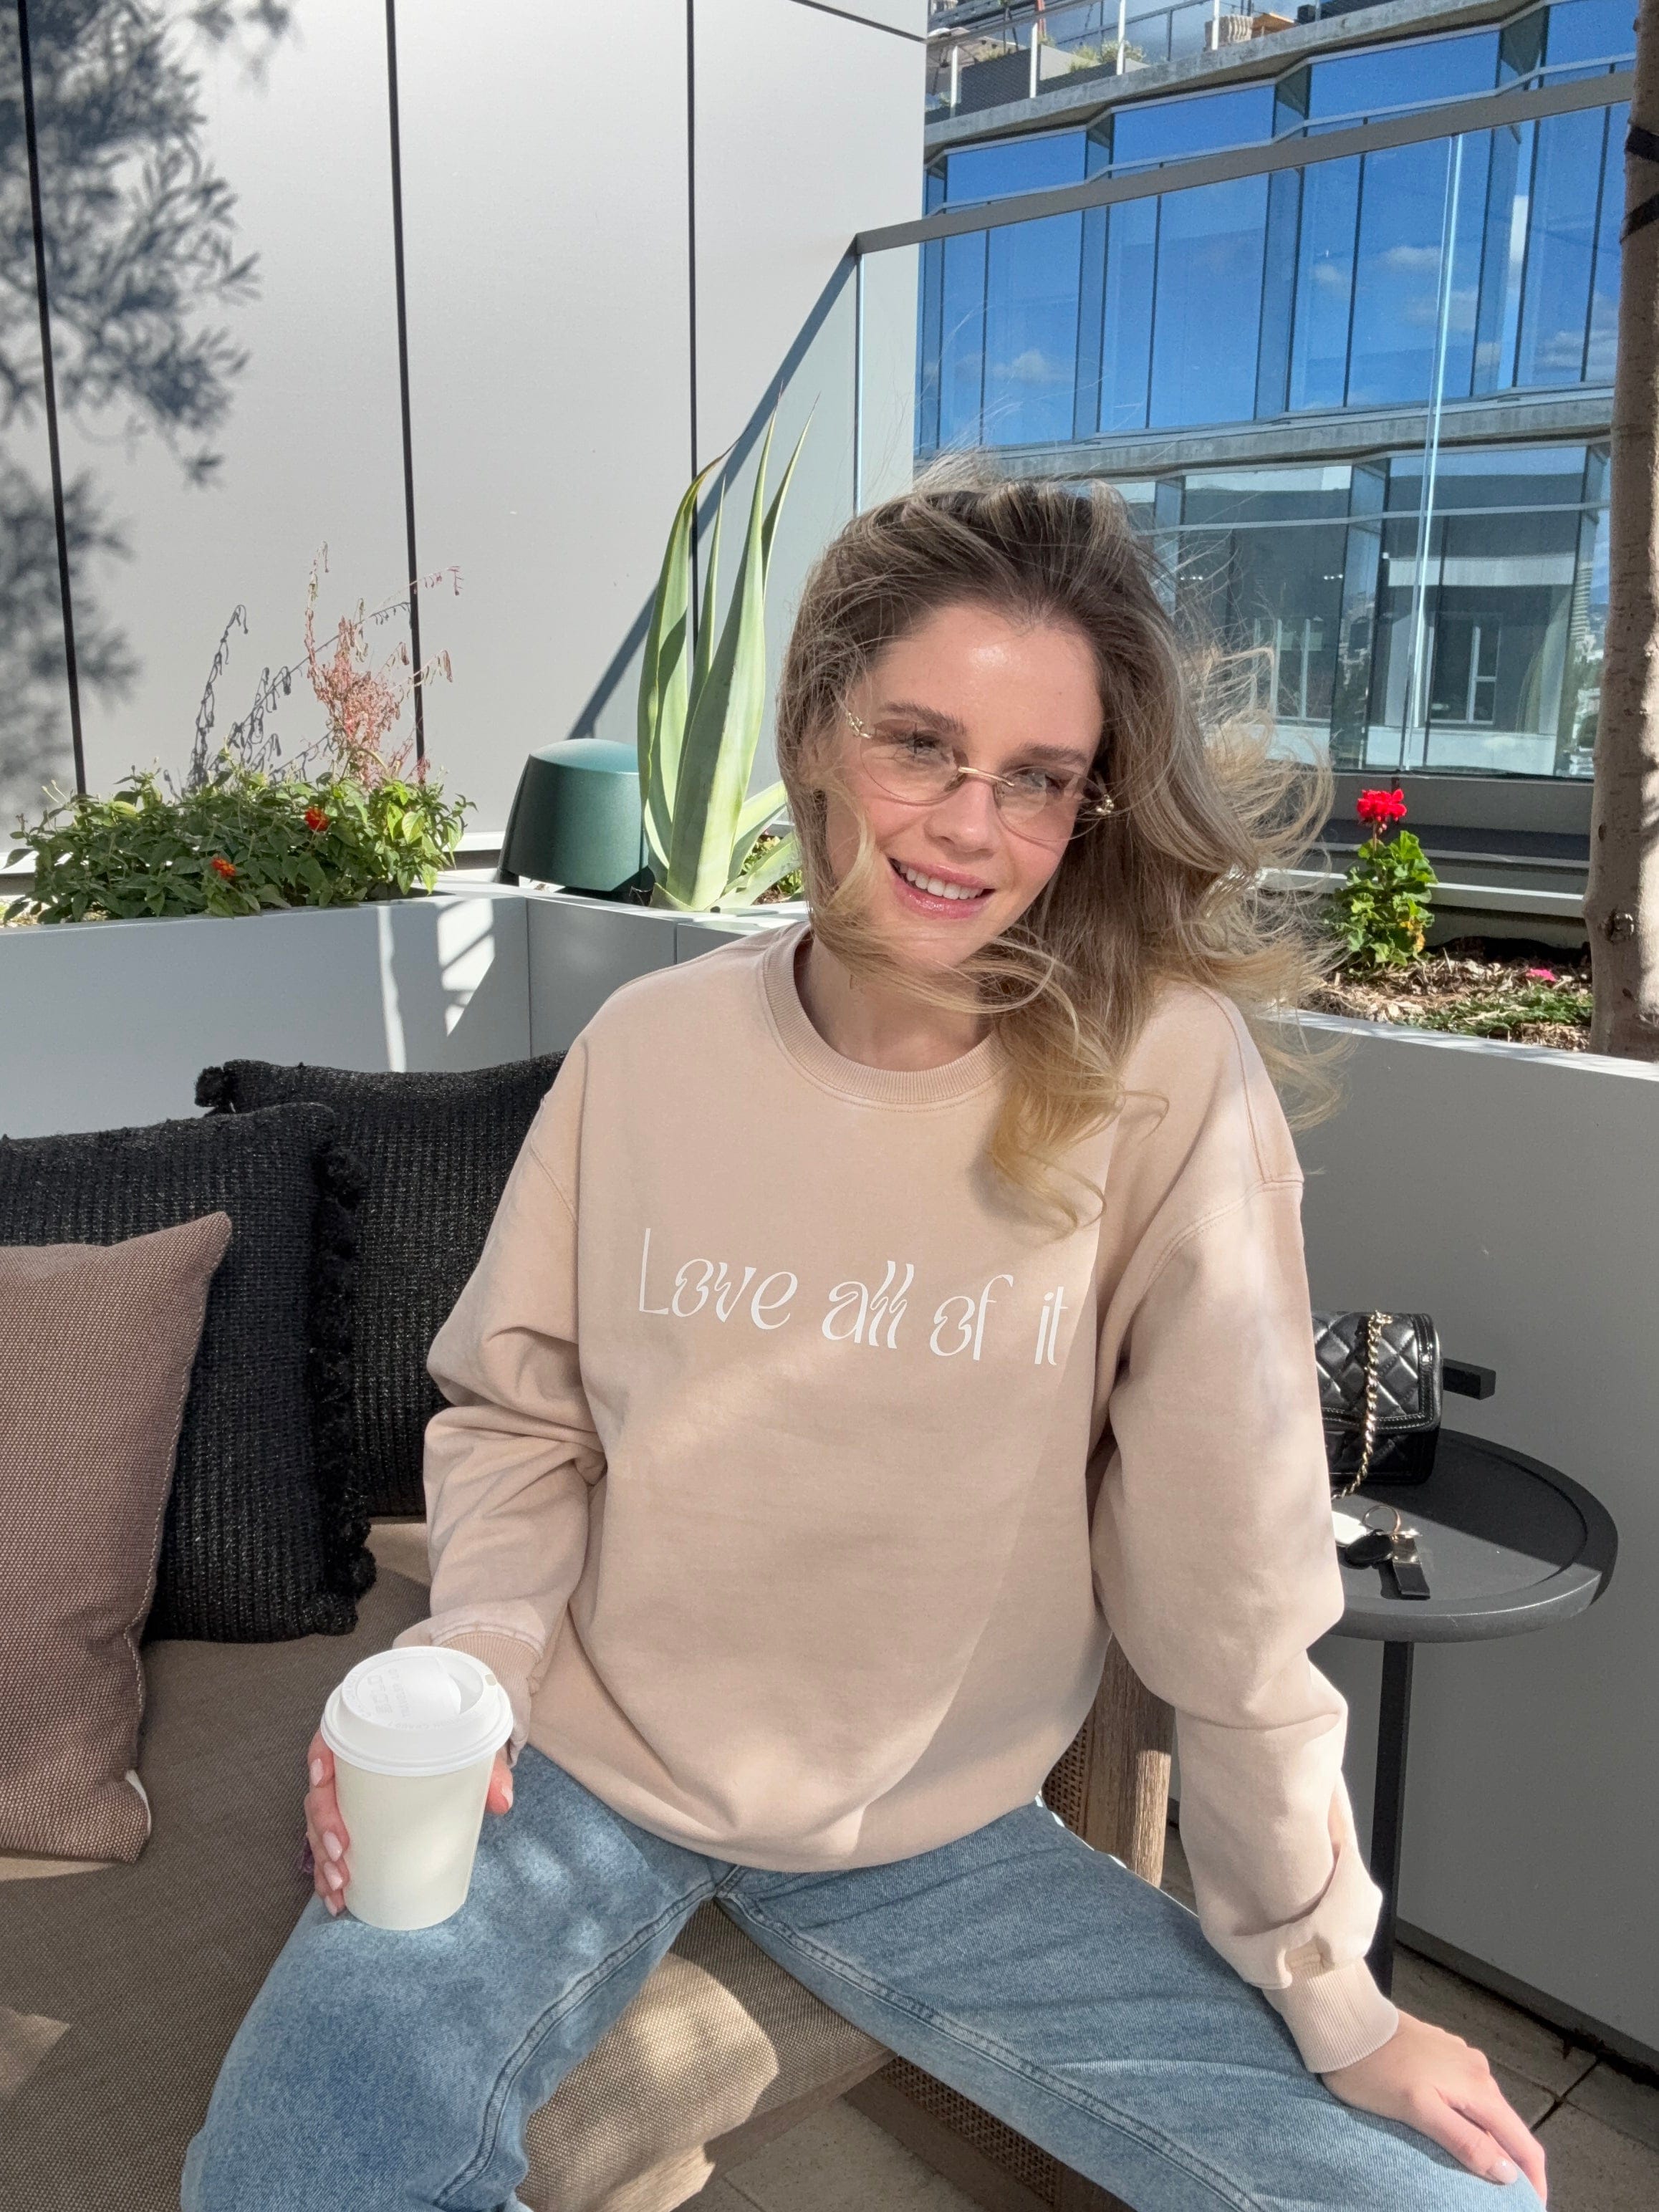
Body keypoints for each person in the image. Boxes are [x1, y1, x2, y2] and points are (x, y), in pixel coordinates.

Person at [183, 473, 1547, 2212]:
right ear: (821, 731)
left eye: (1038, 776)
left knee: (1449, 2198)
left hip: (940, 1834)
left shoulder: (1164, 1076)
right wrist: (480, 1661)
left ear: (1090, 803)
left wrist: (1329, 1984)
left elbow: (1234, 1572)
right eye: (921, 744)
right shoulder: (649, 1049)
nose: (971, 826)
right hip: (580, 1773)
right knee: (281, 2181)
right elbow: (521, 1413)